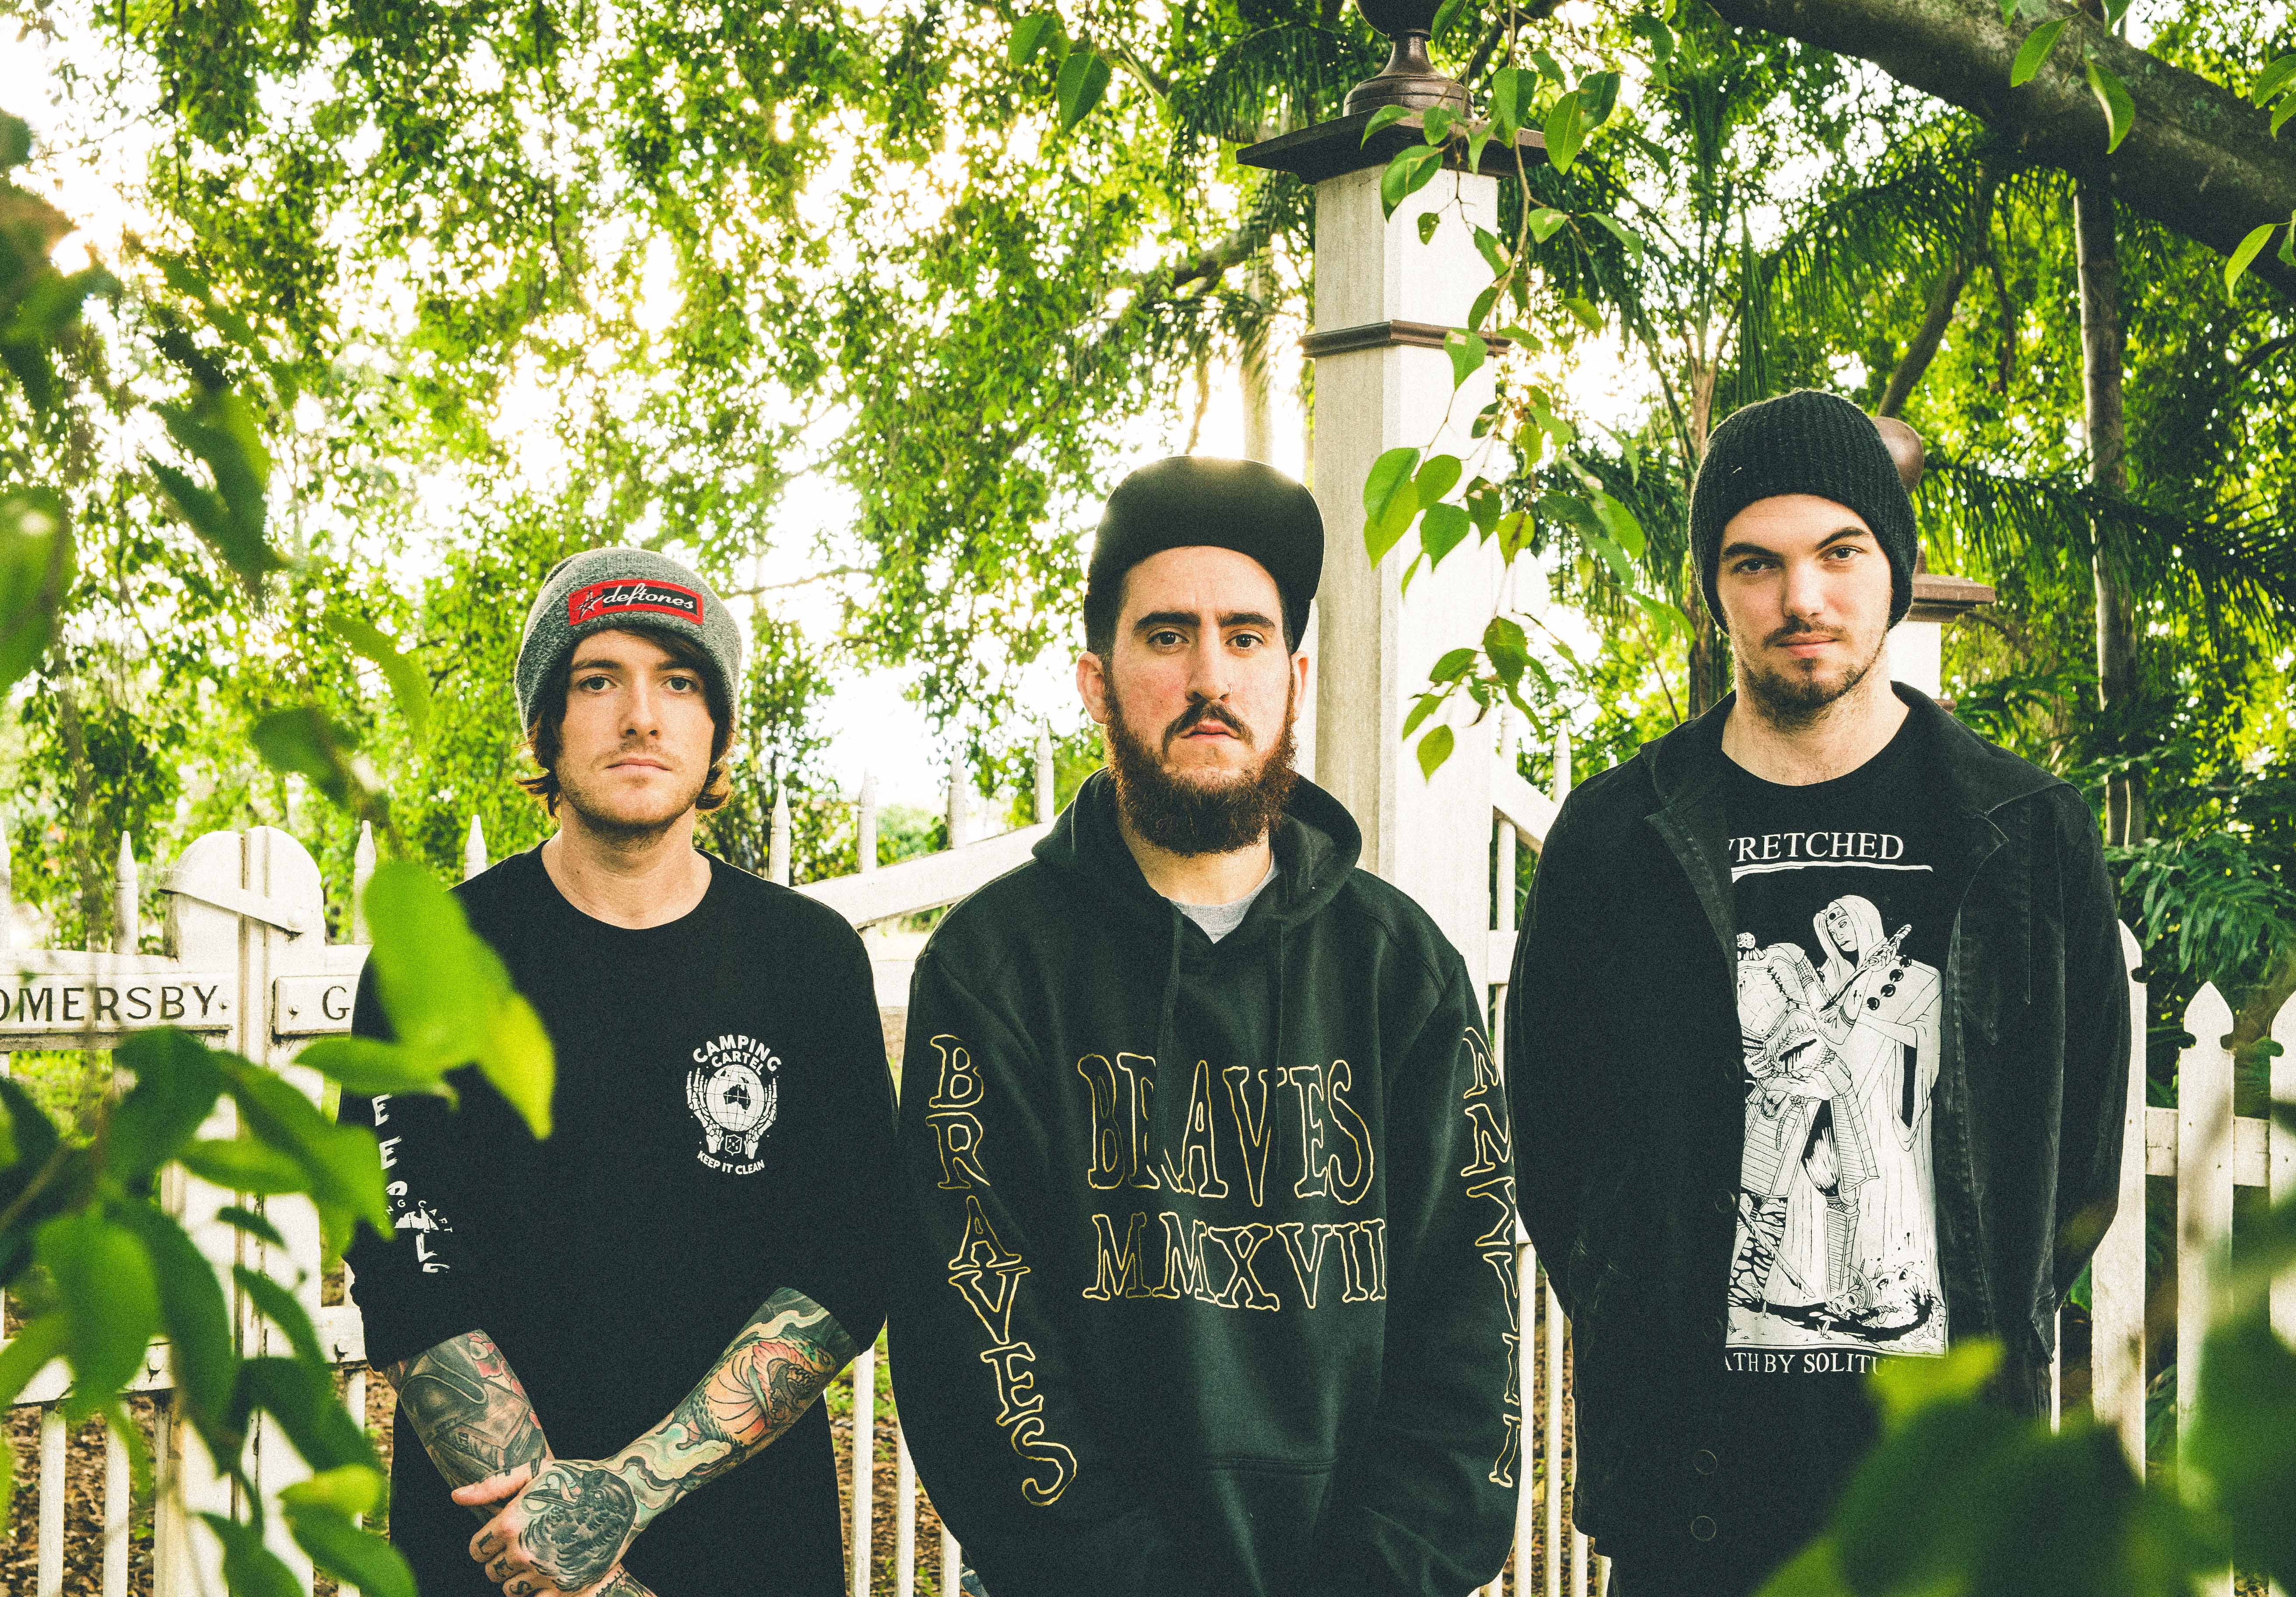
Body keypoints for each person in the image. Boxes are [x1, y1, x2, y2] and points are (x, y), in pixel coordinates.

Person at [1505, 391, 2132, 1595]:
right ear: (1714, 588)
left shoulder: (2026, 833)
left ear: (1895, 569)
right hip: (1692, 1502)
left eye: (1840, 553)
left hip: (1946, 1500)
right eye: (1757, 562)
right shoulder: (1617, 838)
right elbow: (1557, 1147)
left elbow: (2076, 1164)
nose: (1803, 597)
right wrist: (1645, 1321)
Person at [886, 457, 1519, 1597]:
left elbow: (1467, 1336)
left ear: (1295, 677)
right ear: (1097, 682)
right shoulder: (994, 974)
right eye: (1167, 636)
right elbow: (979, 1340)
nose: (1210, 676)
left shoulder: (1401, 973)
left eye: (1245, 636)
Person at [340, 549, 895, 1597]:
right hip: (495, 1558)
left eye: (679, 682)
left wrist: (622, 1499)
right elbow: (408, 1269)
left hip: (753, 1554)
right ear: (545, 728)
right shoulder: (432, 963)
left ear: (718, 729)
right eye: (599, 681)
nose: (642, 716)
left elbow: (846, 1263)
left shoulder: (808, 961)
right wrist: (562, 1549)